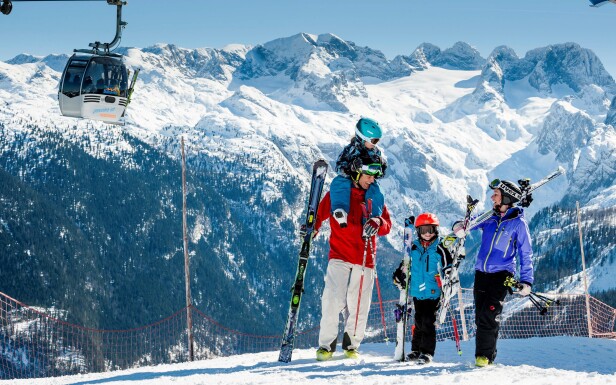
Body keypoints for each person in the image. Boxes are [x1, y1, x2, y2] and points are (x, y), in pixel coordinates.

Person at [313, 155, 392, 361]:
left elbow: (387, 225)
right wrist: (311, 228)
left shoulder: (375, 197)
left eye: (375, 177)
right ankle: (326, 346)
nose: (372, 180)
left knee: (360, 305)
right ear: (357, 173)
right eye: (368, 175)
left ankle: (351, 346)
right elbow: (319, 214)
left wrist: (377, 222)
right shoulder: (338, 194)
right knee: (332, 299)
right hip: (339, 254)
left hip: (366, 258)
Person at [455, 179, 534, 367]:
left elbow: (526, 252)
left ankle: (484, 357)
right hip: (481, 274)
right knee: (480, 316)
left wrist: (526, 280)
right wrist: (458, 227)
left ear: (506, 198)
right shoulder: (489, 217)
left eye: (496, 194)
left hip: (502, 275)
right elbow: (469, 225)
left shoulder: (518, 223)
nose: (492, 197)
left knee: (489, 314)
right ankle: (485, 354)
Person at [392, 213, 452, 364]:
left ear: (436, 230)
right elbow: (405, 263)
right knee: (418, 321)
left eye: (430, 229)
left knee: (427, 321)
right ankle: (416, 350)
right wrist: (399, 274)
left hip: (433, 292)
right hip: (417, 292)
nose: (427, 233)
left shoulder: (440, 247)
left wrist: (448, 276)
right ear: (418, 231)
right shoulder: (413, 247)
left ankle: (427, 352)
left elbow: (448, 265)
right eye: (423, 230)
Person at [330, 117, 387, 228]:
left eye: (377, 141)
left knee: (377, 190)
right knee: (339, 183)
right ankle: (340, 209)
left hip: (366, 178)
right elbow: (338, 167)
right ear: (363, 138)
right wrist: (350, 168)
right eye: (374, 140)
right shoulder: (351, 150)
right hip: (350, 178)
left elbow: (380, 168)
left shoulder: (375, 152)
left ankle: (372, 218)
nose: (375, 144)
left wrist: (382, 167)